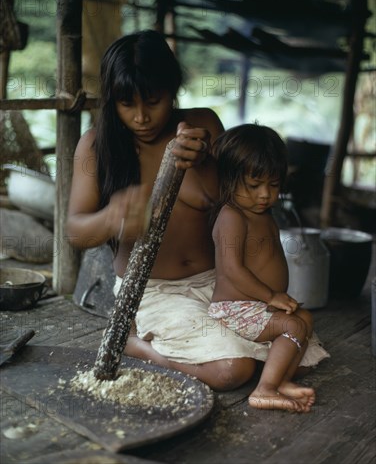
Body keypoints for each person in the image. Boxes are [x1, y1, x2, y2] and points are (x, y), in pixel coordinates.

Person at [66, 29, 258, 390]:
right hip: (152, 292)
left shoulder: (203, 126)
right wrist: (111, 218)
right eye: (127, 104)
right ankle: (137, 345)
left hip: (219, 284)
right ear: (111, 101)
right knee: (234, 370)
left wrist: (202, 163)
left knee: (290, 343)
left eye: (153, 101)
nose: (141, 117)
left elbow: (230, 204)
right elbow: (75, 231)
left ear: (173, 91)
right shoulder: (96, 146)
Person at [208, 123, 326, 411]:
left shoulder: (263, 213)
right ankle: (265, 389)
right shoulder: (232, 216)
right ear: (229, 179)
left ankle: (282, 380)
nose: (265, 195)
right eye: (254, 185)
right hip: (235, 307)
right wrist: (271, 296)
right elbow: (233, 270)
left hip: (257, 305)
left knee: (305, 319)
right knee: (293, 325)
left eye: (273, 185)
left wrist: (270, 298)